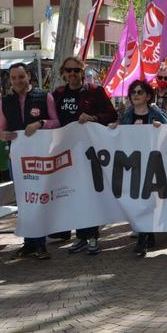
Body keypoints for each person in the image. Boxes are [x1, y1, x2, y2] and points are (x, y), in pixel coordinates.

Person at [51, 57, 118, 254]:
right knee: (72, 194)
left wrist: (93, 118)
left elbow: (112, 115)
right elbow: (48, 118)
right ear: (63, 73)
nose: (72, 74)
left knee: (89, 193)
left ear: (82, 72)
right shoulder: (57, 94)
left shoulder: (94, 92)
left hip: (89, 152)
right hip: (64, 153)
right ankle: (80, 236)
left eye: (76, 70)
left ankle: (91, 236)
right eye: (68, 70)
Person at [0, 63, 60, 260]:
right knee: (24, 201)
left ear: (28, 77)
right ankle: (29, 243)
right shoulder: (5, 102)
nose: (17, 81)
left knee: (39, 198)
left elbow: (56, 122)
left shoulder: (44, 96)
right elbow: (1, 130)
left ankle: (40, 244)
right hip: (18, 159)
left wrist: (40, 124)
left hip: (41, 157)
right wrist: (2, 135)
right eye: (13, 78)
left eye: (21, 77)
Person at [108, 79, 167, 257]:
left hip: (151, 162)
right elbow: (120, 133)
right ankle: (147, 235)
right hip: (133, 164)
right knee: (139, 199)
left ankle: (143, 238)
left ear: (148, 96)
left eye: (140, 92)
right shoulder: (127, 115)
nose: (135, 95)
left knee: (148, 199)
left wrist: (160, 126)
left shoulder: (155, 112)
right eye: (133, 92)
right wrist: (114, 128)